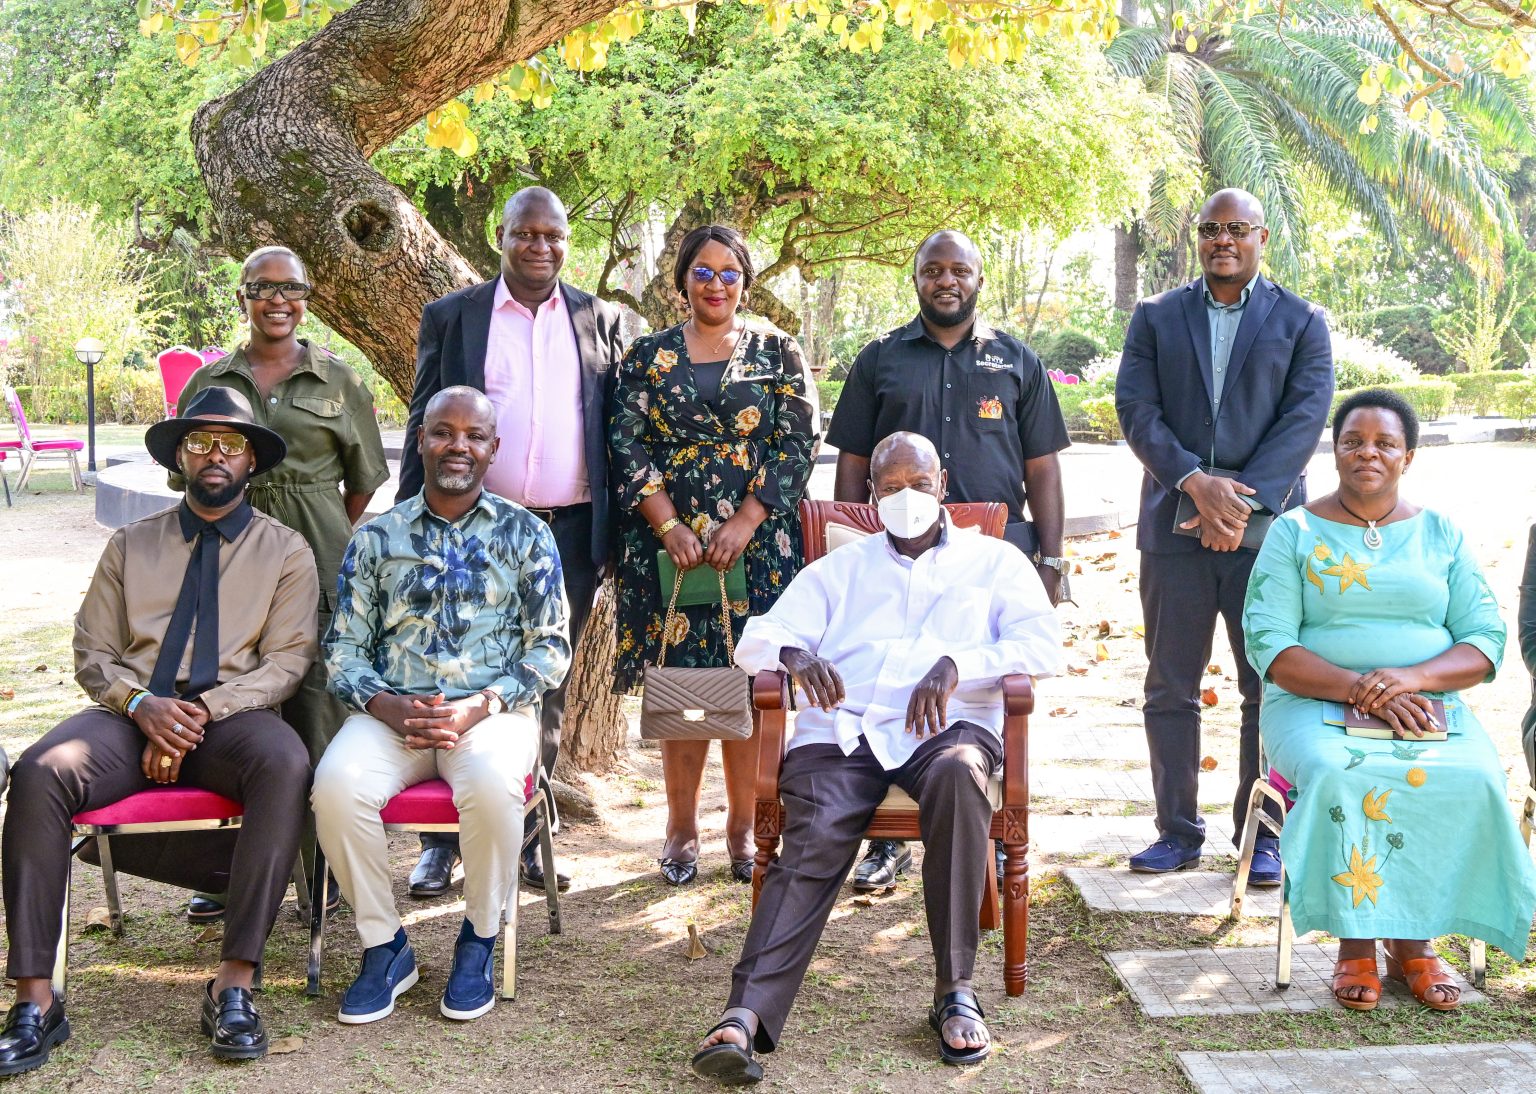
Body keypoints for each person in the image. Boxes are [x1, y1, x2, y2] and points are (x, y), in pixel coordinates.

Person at [689, 432, 1060, 1084]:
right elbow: (760, 639)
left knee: (958, 777)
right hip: (846, 731)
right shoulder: (841, 569)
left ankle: (954, 991)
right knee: (817, 822)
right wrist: (794, 656)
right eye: (891, 488)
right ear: (871, 495)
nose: (907, 498)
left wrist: (958, 665)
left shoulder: (996, 562)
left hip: (950, 728)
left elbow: (1043, 649)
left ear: (943, 484)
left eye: (919, 484)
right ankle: (744, 1016)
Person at [0, 388, 318, 1074]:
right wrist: (143, 704)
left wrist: (200, 713)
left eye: (231, 444)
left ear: (251, 463)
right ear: (179, 455)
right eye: (200, 441)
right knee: (39, 773)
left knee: (286, 763)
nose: (215, 454)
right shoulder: (130, 544)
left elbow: (289, 661)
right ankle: (35, 999)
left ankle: (233, 984)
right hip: (127, 716)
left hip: (232, 720)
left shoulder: (286, 552)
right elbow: (91, 649)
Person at [1242, 389, 1536, 1011]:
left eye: (1384, 443)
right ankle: (1356, 945)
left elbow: (1484, 639)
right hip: (1313, 702)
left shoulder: (1441, 533)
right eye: (1353, 441)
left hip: (1424, 704)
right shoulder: (1292, 532)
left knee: (1476, 776)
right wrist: (1360, 689)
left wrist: (1413, 680)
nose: (1367, 453)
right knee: (1338, 772)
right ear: (1335, 451)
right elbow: (1269, 644)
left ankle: (1415, 946)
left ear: (1408, 456)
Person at [312, 386, 571, 1025]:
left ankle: (479, 938)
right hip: (391, 717)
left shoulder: (527, 533)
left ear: (493, 449)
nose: (458, 445)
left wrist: (482, 705)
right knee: (335, 787)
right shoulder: (377, 538)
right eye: (442, 432)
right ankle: (385, 946)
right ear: (420, 440)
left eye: (474, 435)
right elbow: (342, 647)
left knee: (488, 784)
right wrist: (384, 704)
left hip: (491, 717)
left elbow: (551, 650)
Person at [826, 229, 1069, 892]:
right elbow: (852, 464)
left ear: (978, 279)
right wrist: (851, 545)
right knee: (893, 683)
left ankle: (983, 826)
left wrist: (1053, 561)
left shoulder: (1017, 361)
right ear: (917, 279)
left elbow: (1042, 467)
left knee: (987, 691)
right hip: (896, 558)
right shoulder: (880, 360)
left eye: (959, 270)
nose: (947, 281)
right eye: (934, 270)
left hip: (993, 563)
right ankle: (889, 844)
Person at [399, 186, 624, 898]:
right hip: (473, 530)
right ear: (501, 237)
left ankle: (529, 830)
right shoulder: (454, 316)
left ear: (566, 241)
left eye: (553, 235)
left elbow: (614, 429)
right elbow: (422, 422)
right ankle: (441, 845)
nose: (540, 247)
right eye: (525, 234)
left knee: (544, 683)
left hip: (567, 535)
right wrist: (415, 526)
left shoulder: (601, 319)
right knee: (443, 672)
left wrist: (617, 534)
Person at [1116, 187, 1333, 880]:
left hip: (1265, 535)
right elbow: (1136, 409)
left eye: (1237, 228)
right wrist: (1192, 483)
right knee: (1169, 687)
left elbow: (1304, 419)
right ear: (1197, 238)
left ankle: (1262, 835)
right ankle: (1177, 832)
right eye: (1211, 229)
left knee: (1265, 685)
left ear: (1262, 237)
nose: (1223, 240)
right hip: (1171, 528)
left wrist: (1235, 505)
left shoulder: (1302, 321)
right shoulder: (1155, 317)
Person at [172, 245, 389, 922]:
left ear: (307, 297)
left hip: (321, 567)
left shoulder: (337, 380)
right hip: (226, 567)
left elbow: (361, 484)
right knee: (231, 710)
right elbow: (188, 479)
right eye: (263, 287)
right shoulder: (212, 378)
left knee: (319, 711)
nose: (278, 300)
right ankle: (234, 867)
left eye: (291, 287)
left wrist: (311, 526)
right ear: (242, 296)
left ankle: (322, 872)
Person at [608, 224, 818, 887]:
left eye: (730, 273)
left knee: (751, 685)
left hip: (757, 550)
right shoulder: (647, 356)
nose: (717, 284)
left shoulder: (779, 354)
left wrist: (749, 518)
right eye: (703, 272)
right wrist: (667, 522)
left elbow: (797, 443)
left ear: (746, 284)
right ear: (682, 283)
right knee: (688, 689)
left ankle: (741, 824)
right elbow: (625, 439)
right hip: (669, 548)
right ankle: (680, 826)